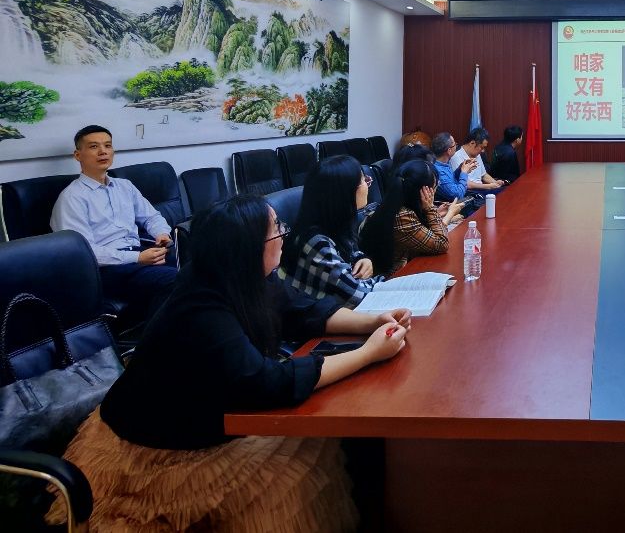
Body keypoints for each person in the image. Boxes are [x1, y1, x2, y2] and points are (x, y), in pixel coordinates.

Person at [52, 194, 410, 532]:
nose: (284, 234)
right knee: (306, 459)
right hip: (158, 446)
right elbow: (266, 382)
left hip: (204, 414)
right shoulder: (202, 307)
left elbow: (303, 310)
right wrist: (367, 354)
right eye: (276, 229)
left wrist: (371, 322)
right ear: (247, 247)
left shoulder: (245, 277)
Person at [49, 124, 177, 325]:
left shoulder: (124, 186)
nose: (103, 151)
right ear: (78, 155)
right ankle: (155, 340)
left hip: (139, 255)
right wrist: (137, 258)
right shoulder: (72, 198)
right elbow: (83, 253)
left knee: (200, 267)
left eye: (107, 145)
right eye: (94, 147)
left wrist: (161, 233)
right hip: (106, 270)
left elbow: (151, 217)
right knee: (177, 281)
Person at [280, 155, 383, 308]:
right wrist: (382, 281)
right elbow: (357, 296)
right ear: (345, 194)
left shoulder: (335, 224)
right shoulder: (317, 243)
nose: (368, 185)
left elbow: (349, 251)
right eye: (363, 180)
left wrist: (363, 259)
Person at [361, 159, 455, 275]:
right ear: (424, 192)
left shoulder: (396, 203)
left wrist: (433, 213)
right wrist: (431, 209)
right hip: (393, 277)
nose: (435, 191)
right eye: (435, 186)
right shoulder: (402, 216)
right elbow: (442, 244)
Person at [450, 127, 505, 192]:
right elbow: (466, 184)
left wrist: (495, 183)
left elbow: (483, 175)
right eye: (482, 147)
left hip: (481, 189)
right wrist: (488, 186)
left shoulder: (477, 154)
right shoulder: (456, 156)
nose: (483, 151)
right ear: (472, 143)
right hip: (469, 192)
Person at [430, 131, 478, 203]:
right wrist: (464, 173)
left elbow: (451, 180)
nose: (456, 146)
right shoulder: (438, 171)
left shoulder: (444, 163)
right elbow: (457, 195)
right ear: (449, 151)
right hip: (449, 206)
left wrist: (460, 169)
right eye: (455, 144)